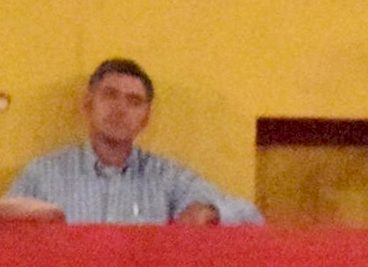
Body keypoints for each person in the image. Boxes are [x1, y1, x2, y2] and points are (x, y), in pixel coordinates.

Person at [3, 59, 262, 225]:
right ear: (87, 104)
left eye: (134, 101)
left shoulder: (167, 178)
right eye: (110, 95)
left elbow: (252, 217)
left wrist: (210, 213)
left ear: (146, 118)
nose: (120, 109)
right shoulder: (43, 174)